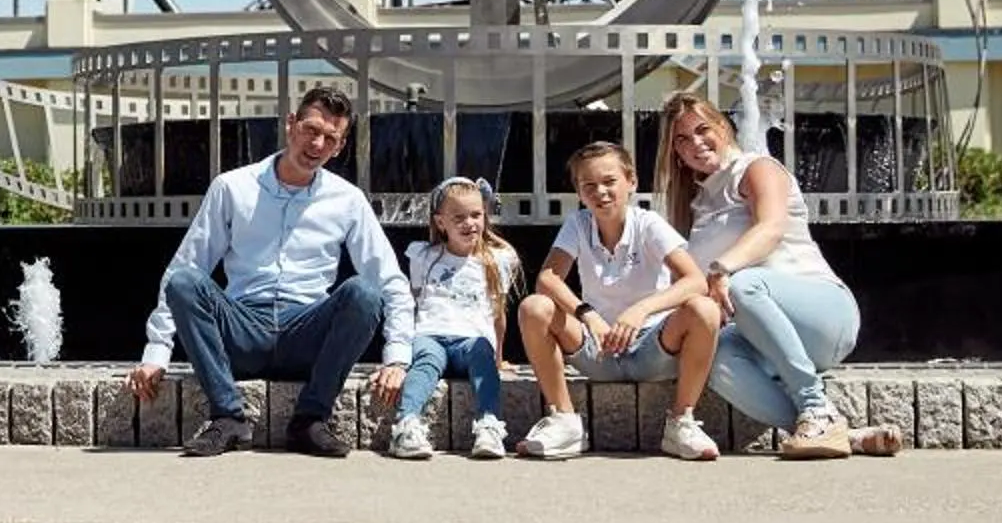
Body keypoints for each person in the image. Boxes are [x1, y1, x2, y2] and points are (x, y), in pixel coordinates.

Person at [129, 85, 414, 458]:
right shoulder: (232, 187)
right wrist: (156, 354)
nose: (317, 144)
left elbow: (389, 280)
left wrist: (396, 357)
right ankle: (227, 418)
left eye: (330, 138)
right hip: (242, 328)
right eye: (311, 129)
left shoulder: (348, 199)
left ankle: (311, 420)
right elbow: (187, 265)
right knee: (185, 282)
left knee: (364, 293)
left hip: (307, 332)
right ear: (290, 124)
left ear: (340, 147)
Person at [655, 89, 901, 461]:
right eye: (683, 139)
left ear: (724, 126)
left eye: (703, 130)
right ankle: (837, 433)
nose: (696, 143)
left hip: (822, 313)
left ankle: (815, 406)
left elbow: (769, 230)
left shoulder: (757, 168)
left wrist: (722, 269)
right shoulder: (699, 200)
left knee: (741, 283)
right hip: (764, 336)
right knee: (711, 356)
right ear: (675, 151)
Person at [515, 139, 727, 461]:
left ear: (631, 181)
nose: (600, 191)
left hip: (650, 346)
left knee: (704, 309)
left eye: (610, 181)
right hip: (596, 346)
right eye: (589, 185)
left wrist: (640, 311)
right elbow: (547, 278)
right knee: (534, 307)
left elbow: (695, 280)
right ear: (579, 192)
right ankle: (565, 420)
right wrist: (587, 313)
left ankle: (681, 421)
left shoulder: (648, 224)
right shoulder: (578, 224)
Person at [386, 177, 522, 462]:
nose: (469, 223)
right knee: (424, 364)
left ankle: (489, 424)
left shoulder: (496, 259)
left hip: (472, 339)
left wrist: (499, 355)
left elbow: (498, 314)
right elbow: (412, 300)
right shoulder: (424, 256)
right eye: (458, 217)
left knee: (482, 357)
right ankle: (406, 424)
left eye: (476, 215)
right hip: (430, 334)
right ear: (440, 222)